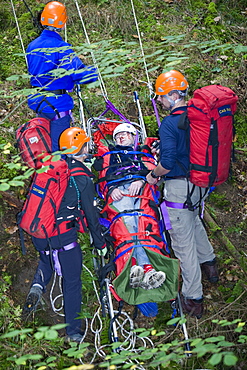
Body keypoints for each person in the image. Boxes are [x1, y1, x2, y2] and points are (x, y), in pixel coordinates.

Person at [146, 70, 219, 318]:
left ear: (172, 94)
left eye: (161, 97)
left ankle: (193, 297)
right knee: (195, 220)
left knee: (183, 243)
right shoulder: (199, 116)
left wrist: (154, 175)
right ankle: (210, 264)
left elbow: (167, 162)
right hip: (200, 183)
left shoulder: (169, 123)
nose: (159, 101)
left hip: (178, 187)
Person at [23, 127, 106, 343]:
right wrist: (100, 243)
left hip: (40, 233)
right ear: (82, 149)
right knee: (72, 282)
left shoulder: (51, 167)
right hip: (64, 238)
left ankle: (37, 286)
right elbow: (91, 216)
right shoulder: (83, 180)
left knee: (47, 258)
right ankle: (73, 333)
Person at [26, 1, 98, 152]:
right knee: (59, 149)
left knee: (44, 142)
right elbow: (79, 74)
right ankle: (59, 173)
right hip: (57, 104)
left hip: (38, 102)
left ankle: (46, 172)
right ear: (63, 22)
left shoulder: (32, 45)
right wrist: (95, 72)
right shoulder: (61, 47)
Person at [105, 122, 166, 290]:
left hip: (140, 189)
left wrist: (141, 180)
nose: (120, 137)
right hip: (120, 191)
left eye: (124, 134)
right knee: (130, 225)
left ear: (134, 137)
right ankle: (145, 268)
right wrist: (111, 189)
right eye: (117, 136)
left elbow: (152, 170)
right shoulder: (111, 156)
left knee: (142, 225)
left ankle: (137, 268)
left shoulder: (142, 153)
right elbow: (105, 177)